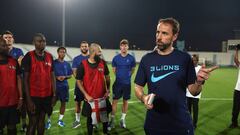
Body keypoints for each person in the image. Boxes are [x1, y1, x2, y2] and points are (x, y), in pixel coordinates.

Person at [134, 17, 218, 135]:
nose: (159, 37)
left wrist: (198, 82)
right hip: (154, 125)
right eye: (158, 32)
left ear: (174, 36)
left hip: (180, 125)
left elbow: (193, 92)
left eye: (164, 33)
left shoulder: (184, 58)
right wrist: (143, 98)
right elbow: (138, 87)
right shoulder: (147, 59)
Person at [22, 33, 56, 135]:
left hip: (46, 96)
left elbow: (52, 77)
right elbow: (25, 80)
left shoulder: (50, 57)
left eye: (44, 41)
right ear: (34, 43)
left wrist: (54, 94)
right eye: (39, 41)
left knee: (42, 120)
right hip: (33, 96)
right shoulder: (29, 56)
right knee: (33, 122)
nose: (42, 43)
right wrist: (28, 100)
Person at [76, 43, 111, 135]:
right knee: (90, 120)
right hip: (90, 99)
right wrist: (86, 95)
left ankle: (105, 132)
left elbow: (107, 77)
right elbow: (78, 81)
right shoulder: (82, 65)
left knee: (105, 118)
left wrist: (108, 90)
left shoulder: (103, 63)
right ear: (93, 52)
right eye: (99, 51)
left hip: (102, 97)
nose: (101, 53)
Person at [2, 30, 27, 132]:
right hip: (4, 83)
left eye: (10, 37)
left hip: (18, 82)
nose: (8, 39)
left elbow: (21, 65)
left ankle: (24, 123)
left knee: (22, 104)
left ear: (13, 39)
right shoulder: (1, 51)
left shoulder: (19, 51)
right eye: (6, 37)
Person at [109, 39, 136, 129]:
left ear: (128, 47)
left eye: (125, 45)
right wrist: (120, 77)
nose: (124, 47)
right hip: (118, 84)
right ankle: (112, 120)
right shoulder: (116, 58)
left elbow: (133, 69)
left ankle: (122, 119)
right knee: (114, 101)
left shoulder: (131, 58)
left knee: (125, 101)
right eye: (122, 45)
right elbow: (114, 70)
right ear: (120, 47)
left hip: (127, 84)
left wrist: (127, 77)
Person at [45, 47, 72, 129]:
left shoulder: (67, 64)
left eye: (64, 52)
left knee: (63, 103)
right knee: (52, 104)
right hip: (55, 87)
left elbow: (70, 75)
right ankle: (48, 121)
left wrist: (65, 77)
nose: (62, 53)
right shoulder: (53, 63)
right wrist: (56, 78)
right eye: (61, 52)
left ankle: (60, 120)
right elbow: (48, 74)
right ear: (58, 53)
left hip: (64, 87)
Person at [72, 41, 89, 128]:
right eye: (83, 46)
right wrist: (79, 80)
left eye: (86, 46)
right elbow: (74, 71)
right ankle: (77, 120)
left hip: (90, 86)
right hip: (79, 85)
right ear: (80, 47)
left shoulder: (92, 57)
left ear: (88, 47)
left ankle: (92, 121)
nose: (84, 48)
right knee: (78, 103)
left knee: (90, 103)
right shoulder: (76, 59)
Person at [186, 54, 202, 129]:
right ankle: (188, 122)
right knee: (188, 109)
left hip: (196, 93)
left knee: (195, 109)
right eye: (192, 60)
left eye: (195, 60)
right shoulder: (188, 68)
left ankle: (194, 124)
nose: (193, 62)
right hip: (187, 92)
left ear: (197, 61)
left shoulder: (200, 68)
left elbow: (203, 81)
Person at [229, 46, 240, 128]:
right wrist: (237, 51)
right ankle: (234, 123)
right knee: (235, 108)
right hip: (238, 90)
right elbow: (236, 60)